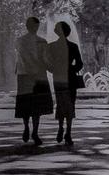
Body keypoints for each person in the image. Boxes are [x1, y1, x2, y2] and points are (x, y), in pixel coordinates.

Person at [13, 16, 51, 145]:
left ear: (26, 26)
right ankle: (35, 131)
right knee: (37, 106)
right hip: (39, 75)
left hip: (23, 76)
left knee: (25, 102)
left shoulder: (19, 41)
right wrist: (52, 68)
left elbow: (18, 59)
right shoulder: (42, 42)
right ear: (37, 27)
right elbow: (45, 60)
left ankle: (26, 127)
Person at [44, 21, 83, 147]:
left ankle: (60, 127)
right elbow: (80, 64)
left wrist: (53, 69)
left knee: (61, 104)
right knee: (70, 104)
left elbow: (46, 62)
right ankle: (69, 133)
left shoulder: (51, 46)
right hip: (71, 79)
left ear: (57, 32)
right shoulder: (73, 46)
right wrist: (72, 69)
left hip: (58, 78)